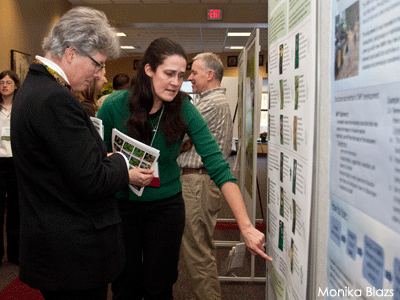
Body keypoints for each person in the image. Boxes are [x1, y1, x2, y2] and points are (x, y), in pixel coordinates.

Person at [97, 37, 272, 300]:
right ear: (148, 69)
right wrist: (123, 170)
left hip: (166, 207)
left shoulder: (184, 108)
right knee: (126, 284)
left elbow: (218, 166)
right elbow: (95, 157)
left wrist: (245, 225)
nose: (176, 82)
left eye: (181, 75)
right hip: (122, 206)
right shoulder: (114, 105)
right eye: (169, 73)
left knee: (160, 285)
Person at [10, 7, 139, 300]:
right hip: (73, 254)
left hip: (55, 246)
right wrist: (119, 160)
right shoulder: (55, 98)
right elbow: (92, 181)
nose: (100, 75)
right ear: (70, 53)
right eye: (98, 63)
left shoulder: (32, 89)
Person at [177, 52, 233, 300]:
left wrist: (181, 142)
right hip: (195, 181)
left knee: (197, 250)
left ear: (210, 75)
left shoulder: (211, 104)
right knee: (196, 247)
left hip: (197, 183)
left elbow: (176, 138)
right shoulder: (206, 102)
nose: (190, 78)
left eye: (194, 73)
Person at [0, 70, 20, 266]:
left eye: (8, 82)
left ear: (15, 85)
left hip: (15, 163)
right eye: (1, 82)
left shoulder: (20, 108)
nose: (5, 85)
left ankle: (15, 254)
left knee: (16, 210)